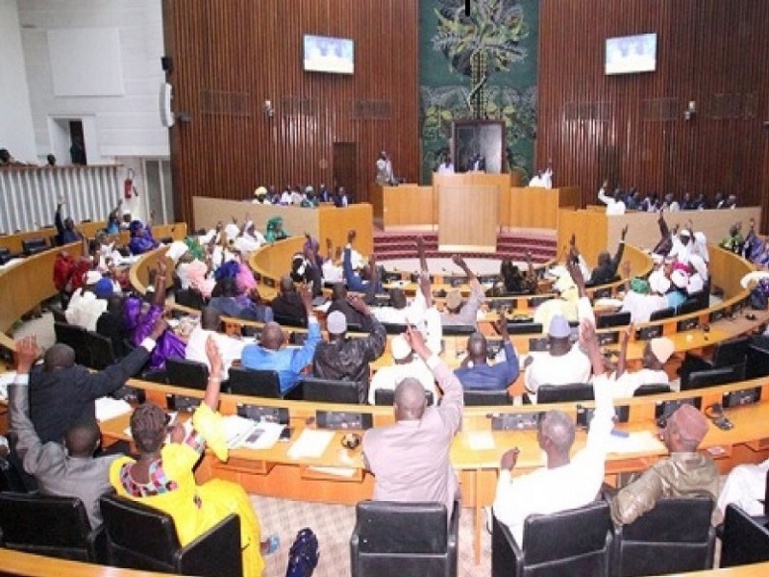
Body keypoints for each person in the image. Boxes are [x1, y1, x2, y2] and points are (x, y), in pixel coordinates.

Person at [110, 337, 275, 577]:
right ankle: (253, 555)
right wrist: (215, 371)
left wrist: (175, 446)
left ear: (134, 440)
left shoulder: (118, 470)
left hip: (155, 537)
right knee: (234, 496)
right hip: (191, 532)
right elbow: (205, 417)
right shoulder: (177, 463)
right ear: (164, 435)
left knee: (220, 490)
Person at [493, 318, 615, 545]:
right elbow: (606, 409)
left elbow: (501, 513)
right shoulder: (592, 467)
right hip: (578, 552)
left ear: (546, 442)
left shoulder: (527, 487)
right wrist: (593, 348)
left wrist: (505, 472)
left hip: (536, 556)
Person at [10, 335, 118, 528]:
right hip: (95, 538)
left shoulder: (41, 462)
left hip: (49, 530)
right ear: (98, 443)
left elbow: (19, 420)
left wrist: (23, 367)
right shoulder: (109, 469)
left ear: (64, 443)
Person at [363, 326, 463, 519]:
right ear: (426, 404)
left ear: (394, 407)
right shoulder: (441, 425)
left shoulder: (373, 439)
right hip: (434, 525)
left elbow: (367, 463)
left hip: (389, 525)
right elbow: (455, 389)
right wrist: (422, 348)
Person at [28, 316, 166, 445]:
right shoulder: (78, 383)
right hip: (60, 450)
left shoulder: (32, 377)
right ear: (72, 366)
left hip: (32, 443)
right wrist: (154, 335)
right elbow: (122, 370)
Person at [610, 403, 718, 526]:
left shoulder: (662, 472)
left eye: (667, 425)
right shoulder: (711, 468)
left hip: (651, 533)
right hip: (690, 533)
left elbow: (623, 513)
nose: (663, 430)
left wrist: (608, 500)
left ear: (676, 435)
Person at [240, 285, 320, 395]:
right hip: (284, 398)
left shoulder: (247, 352)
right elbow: (315, 340)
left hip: (252, 397)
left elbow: (263, 343)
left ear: (261, 339)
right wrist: (309, 306)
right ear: (284, 340)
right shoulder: (293, 359)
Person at [312, 298, 387, 404]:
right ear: (345, 329)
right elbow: (380, 337)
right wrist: (366, 311)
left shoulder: (320, 350)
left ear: (327, 329)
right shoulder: (359, 348)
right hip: (358, 408)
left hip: (327, 408)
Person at [454, 315, 519, 391]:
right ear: (487, 350)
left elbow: (461, 370)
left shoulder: (459, 376)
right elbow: (513, 362)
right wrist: (504, 331)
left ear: (468, 352)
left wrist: (469, 356)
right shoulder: (501, 373)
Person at [367, 334, 436, 405]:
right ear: (411, 352)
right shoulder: (425, 374)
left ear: (393, 356)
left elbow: (371, 401)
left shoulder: (381, 375)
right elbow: (434, 403)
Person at [612, 325, 674, 397]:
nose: (643, 356)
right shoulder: (664, 377)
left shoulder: (642, 376)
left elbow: (620, 381)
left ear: (657, 358)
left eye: (647, 353)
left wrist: (624, 344)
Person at [185, 307, 247, 380]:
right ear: (219, 322)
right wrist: (238, 339)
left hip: (190, 378)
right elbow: (246, 350)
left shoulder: (194, 334)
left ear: (200, 322)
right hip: (213, 381)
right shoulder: (224, 341)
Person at [440, 254, 486, 327]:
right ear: (461, 304)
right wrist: (464, 266)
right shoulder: (469, 312)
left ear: (447, 306)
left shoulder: (440, 319)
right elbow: (478, 292)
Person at [343, 229, 382, 294]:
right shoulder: (373, 286)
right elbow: (375, 281)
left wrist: (349, 242)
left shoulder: (353, 282)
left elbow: (347, 263)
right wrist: (372, 265)